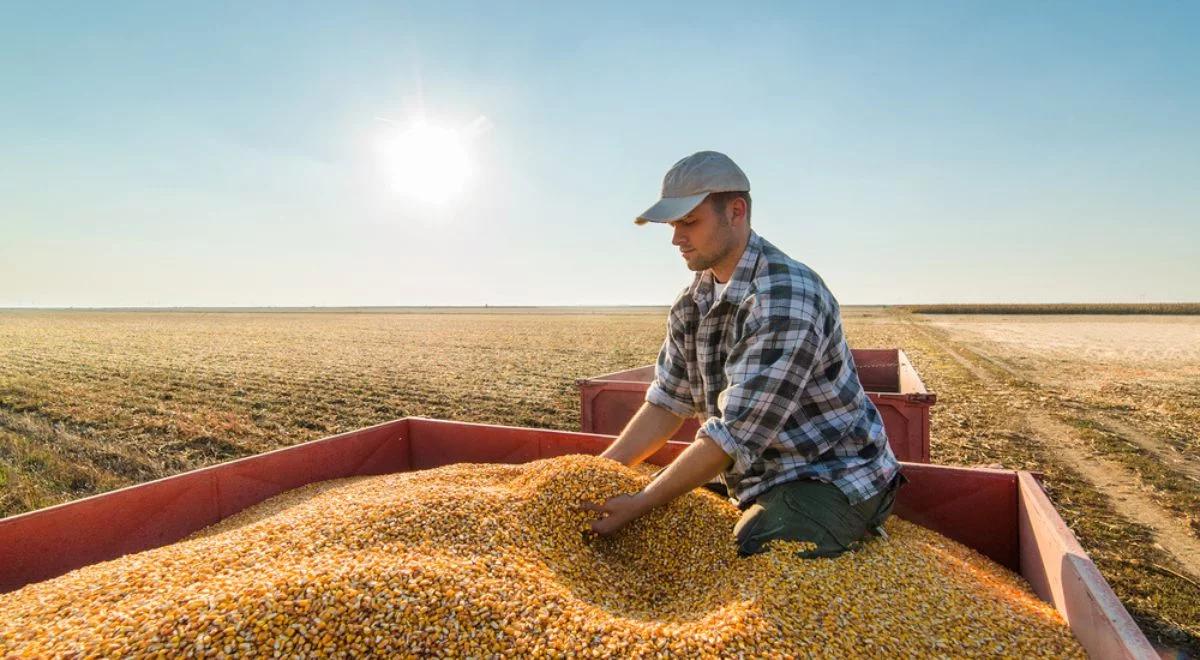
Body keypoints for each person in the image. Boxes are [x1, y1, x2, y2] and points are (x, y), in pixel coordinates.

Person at [582, 151, 904, 558]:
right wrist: (599, 471)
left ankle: (857, 525)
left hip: (831, 474)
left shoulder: (785, 297)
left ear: (736, 211)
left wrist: (641, 501)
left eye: (689, 222)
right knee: (652, 511)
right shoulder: (692, 301)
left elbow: (734, 435)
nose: (676, 238)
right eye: (673, 224)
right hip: (751, 472)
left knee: (760, 546)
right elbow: (668, 401)